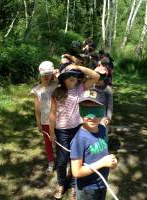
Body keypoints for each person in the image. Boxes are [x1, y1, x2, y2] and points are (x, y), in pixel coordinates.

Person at [49, 64, 100, 200]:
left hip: (77, 129)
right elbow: (52, 113)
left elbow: (96, 76)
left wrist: (77, 66)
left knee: (76, 158)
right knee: (61, 160)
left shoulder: (80, 88)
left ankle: (73, 185)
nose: (72, 79)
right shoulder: (57, 92)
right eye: (69, 77)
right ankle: (61, 183)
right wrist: (52, 132)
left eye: (75, 77)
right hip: (61, 130)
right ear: (63, 79)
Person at [70, 89, 118, 200]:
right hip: (88, 189)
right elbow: (76, 172)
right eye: (86, 110)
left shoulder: (102, 129)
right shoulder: (78, 140)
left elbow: (103, 152)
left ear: (103, 110)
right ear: (80, 110)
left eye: (96, 110)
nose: (91, 116)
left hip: (102, 183)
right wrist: (102, 163)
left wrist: (111, 162)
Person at [30, 61, 57, 173]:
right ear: (39, 75)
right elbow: (37, 109)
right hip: (45, 121)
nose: (46, 76)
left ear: (52, 74)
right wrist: (38, 122)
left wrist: (56, 75)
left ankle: (63, 161)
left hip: (58, 121)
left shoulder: (57, 85)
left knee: (60, 142)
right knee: (48, 142)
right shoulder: (36, 90)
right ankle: (51, 162)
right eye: (44, 74)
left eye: (49, 74)